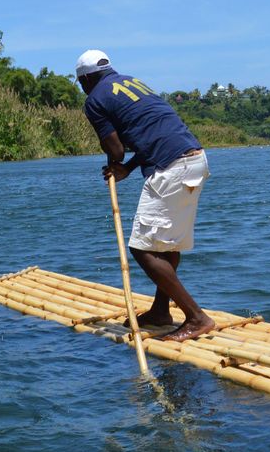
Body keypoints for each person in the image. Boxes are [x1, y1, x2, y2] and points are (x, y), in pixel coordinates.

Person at [77, 49, 214, 342]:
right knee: (166, 244)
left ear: (86, 79)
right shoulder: (133, 83)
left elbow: (115, 148)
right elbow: (153, 134)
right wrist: (126, 169)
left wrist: (115, 162)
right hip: (195, 159)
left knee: (143, 250)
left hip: (171, 167)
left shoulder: (95, 99)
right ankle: (161, 312)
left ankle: (196, 317)